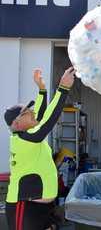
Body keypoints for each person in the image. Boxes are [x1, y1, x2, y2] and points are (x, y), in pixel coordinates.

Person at [4, 67, 75, 230]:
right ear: (17, 124)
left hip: (42, 209)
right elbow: (47, 121)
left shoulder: (28, 134)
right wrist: (63, 88)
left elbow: (42, 116)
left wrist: (42, 90)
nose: (32, 112)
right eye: (27, 112)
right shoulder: (21, 140)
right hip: (25, 207)